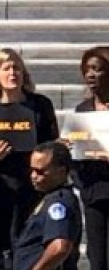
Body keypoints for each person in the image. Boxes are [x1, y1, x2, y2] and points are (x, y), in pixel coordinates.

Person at [0, 48, 60, 270]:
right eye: (6, 68)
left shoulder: (40, 105)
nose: (13, 73)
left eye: (17, 67)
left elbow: (51, 143)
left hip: (30, 190)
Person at [13, 141, 82, 270]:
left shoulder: (59, 203)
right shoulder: (48, 198)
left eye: (40, 171)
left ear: (61, 171)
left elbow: (59, 247)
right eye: (32, 170)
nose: (34, 176)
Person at [72, 46, 109, 270]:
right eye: (87, 70)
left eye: (97, 69)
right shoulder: (82, 110)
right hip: (95, 194)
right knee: (98, 259)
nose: (90, 75)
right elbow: (77, 158)